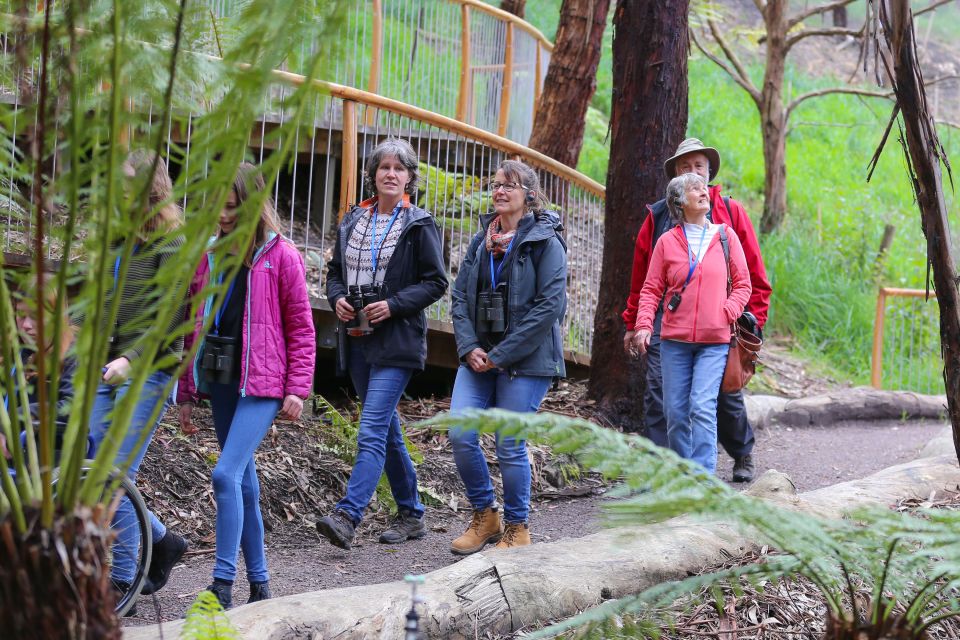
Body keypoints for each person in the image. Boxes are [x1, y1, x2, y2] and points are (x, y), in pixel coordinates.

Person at [178, 162, 316, 608]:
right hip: (219, 378)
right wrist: (185, 390)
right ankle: (260, 585)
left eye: (232, 209)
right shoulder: (209, 252)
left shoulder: (281, 255)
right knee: (245, 484)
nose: (222, 216)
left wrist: (297, 387)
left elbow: (301, 326)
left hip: (261, 382)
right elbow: (192, 321)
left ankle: (222, 583)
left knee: (225, 474)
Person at [317, 138, 447, 550]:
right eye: (383, 167)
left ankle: (347, 515)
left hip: (397, 340)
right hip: (355, 338)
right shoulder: (355, 220)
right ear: (372, 174)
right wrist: (336, 297)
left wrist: (392, 305)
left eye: (399, 168)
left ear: (410, 177)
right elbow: (335, 271)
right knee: (387, 429)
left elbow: (436, 282)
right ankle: (411, 513)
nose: (390, 174)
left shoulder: (419, 224)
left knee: (371, 428)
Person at [622, 138, 771, 482]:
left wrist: (744, 321)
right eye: (685, 169)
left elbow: (752, 278)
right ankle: (671, 472)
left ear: (709, 173)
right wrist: (637, 322)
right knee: (666, 403)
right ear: (676, 180)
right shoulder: (660, 220)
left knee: (720, 400)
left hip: (719, 329)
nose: (694, 176)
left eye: (699, 168)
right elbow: (645, 281)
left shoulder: (729, 218)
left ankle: (732, 458)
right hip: (670, 327)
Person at [447, 159, 567, 555]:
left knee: (509, 444)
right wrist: (468, 346)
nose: (499, 191)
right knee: (461, 432)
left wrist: (502, 354)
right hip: (479, 356)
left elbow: (549, 307)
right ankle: (486, 515)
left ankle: (518, 527)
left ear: (529, 196)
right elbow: (460, 295)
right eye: (496, 184)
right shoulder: (483, 238)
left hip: (526, 360)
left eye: (509, 186)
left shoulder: (545, 241)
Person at [89, 149, 188, 598]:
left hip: (148, 370)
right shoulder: (115, 238)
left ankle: (122, 577)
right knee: (95, 468)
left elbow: (167, 315)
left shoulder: (172, 242)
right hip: (106, 368)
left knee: (111, 472)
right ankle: (162, 541)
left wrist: (132, 357)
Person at [633, 172, 751, 474]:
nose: (703, 191)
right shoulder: (666, 242)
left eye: (704, 187)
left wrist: (727, 312)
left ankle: (703, 482)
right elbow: (651, 289)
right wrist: (644, 325)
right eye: (694, 188)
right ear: (679, 201)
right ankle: (685, 477)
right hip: (674, 342)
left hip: (714, 342)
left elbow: (743, 285)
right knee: (674, 413)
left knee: (701, 407)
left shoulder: (725, 236)